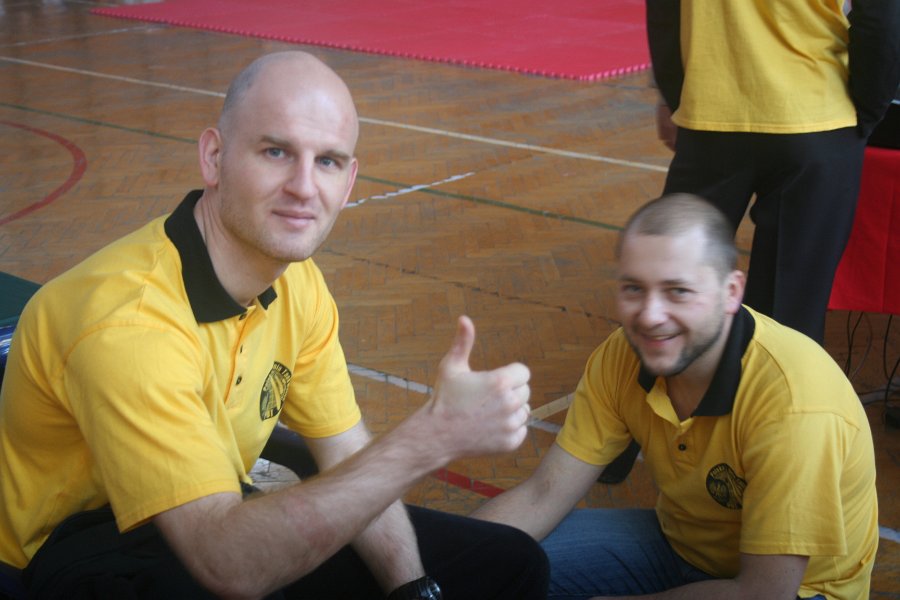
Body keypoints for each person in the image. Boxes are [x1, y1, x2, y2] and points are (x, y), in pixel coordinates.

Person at [0, 51, 549, 599]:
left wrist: (414, 589)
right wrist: (429, 438)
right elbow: (224, 564)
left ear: (349, 182)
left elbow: (346, 455)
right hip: (65, 558)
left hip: (206, 514)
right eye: (276, 152)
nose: (304, 187)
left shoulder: (299, 285)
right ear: (214, 158)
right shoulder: (128, 323)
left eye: (328, 161)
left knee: (509, 562)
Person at [473, 194, 878, 600]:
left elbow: (763, 593)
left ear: (731, 292)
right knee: (492, 565)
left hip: (799, 590)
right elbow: (543, 494)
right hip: (678, 547)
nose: (650, 316)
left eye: (678, 291)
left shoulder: (795, 405)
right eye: (634, 288)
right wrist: (446, 563)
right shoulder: (622, 354)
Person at [646, 0, 900, 344]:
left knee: (674, 290)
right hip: (816, 114)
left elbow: (663, 11)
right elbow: (881, 19)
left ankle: (667, 376)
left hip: (711, 115)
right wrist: (868, 111)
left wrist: (678, 97)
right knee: (788, 316)